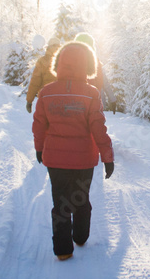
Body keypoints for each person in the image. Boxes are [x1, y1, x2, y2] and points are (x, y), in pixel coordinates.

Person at [32, 41, 115, 261]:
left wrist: (39, 148)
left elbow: (39, 125)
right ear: (87, 65)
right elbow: (98, 127)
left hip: (55, 159)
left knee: (60, 203)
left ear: (58, 64)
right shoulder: (91, 93)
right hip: (83, 160)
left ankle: (63, 251)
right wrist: (107, 157)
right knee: (81, 198)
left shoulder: (46, 93)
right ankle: (80, 237)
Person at [73, 32, 117, 111]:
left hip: (77, 104)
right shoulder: (96, 62)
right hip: (96, 103)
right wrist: (112, 100)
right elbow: (105, 82)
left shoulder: (71, 63)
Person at [25, 37, 60, 113]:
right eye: (54, 45)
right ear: (49, 47)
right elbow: (35, 81)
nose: (57, 47)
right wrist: (29, 100)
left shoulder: (63, 60)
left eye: (58, 46)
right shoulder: (42, 61)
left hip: (60, 100)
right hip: (45, 98)